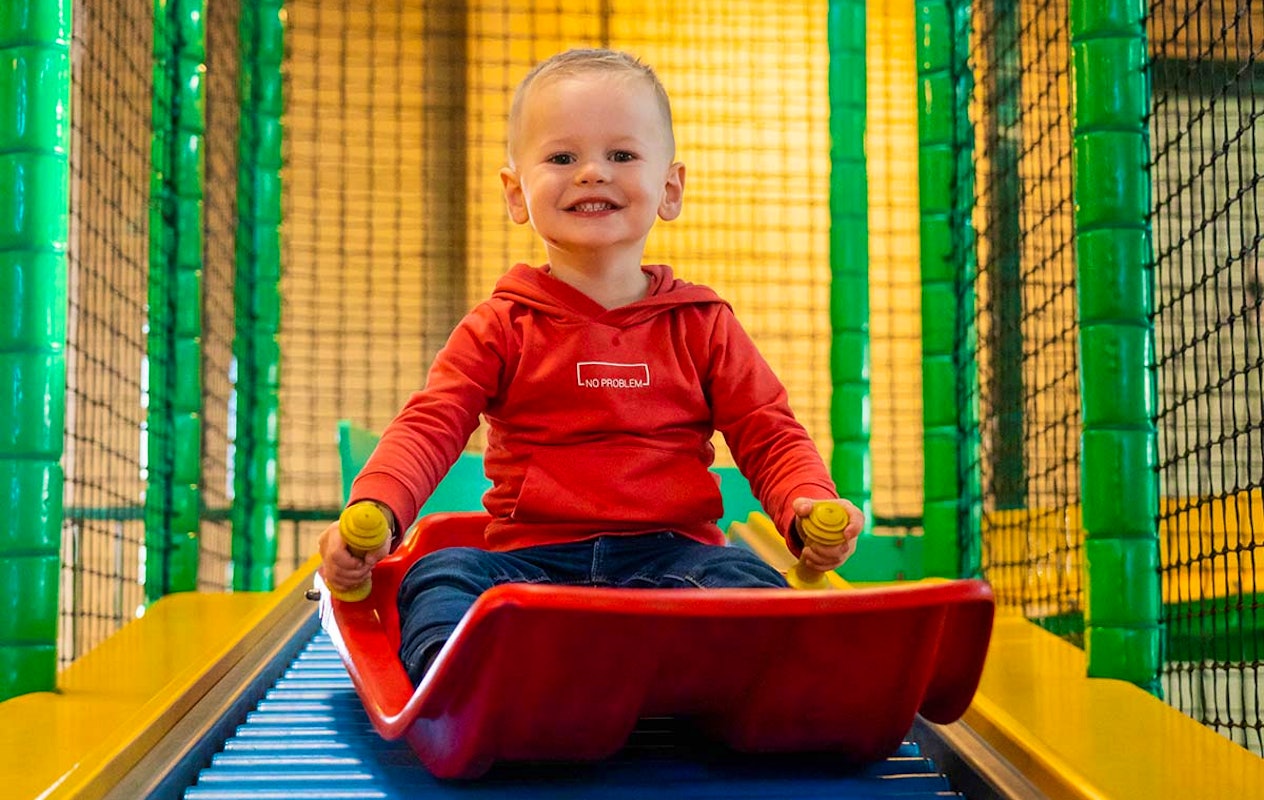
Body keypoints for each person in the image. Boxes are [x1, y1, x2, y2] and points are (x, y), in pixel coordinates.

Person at [318, 48, 863, 685]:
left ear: (670, 188)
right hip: (529, 565)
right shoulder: (502, 324)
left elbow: (766, 429)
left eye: (622, 156)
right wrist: (379, 508)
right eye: (562, 157)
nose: (592, 174)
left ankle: (734, 683)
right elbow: (431, 425)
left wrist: (805, 503)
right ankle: (470, 684)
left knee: (751, 582)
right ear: (517, 193)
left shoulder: (703, 324)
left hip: (675, 561)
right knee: (438, 576)